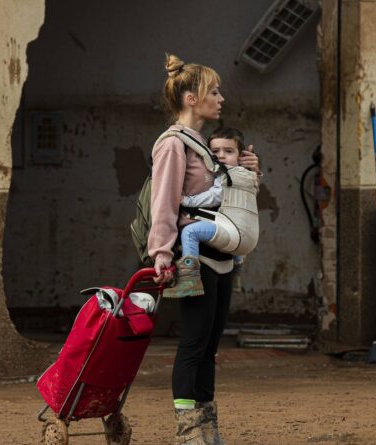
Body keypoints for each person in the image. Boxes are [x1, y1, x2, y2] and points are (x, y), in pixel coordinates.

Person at [148, 54, 260, 445]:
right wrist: (162, 253)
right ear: (191, 98)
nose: (221, 97)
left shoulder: (205, 145)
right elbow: (163, 202)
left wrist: (246, 169)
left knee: (211, 344)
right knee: (194, 342)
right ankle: (188, 429)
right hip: (192, 254)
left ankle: (207, 427)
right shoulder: (172, 145)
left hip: (222, 253)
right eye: (214, 91)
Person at [179, 126, 258, 289]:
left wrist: (187, 201)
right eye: (215, 151)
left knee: (189, 232)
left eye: (228, 151)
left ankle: (189, 280)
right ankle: (237, 266)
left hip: (233, 231)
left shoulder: (228, 175)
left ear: (240, 156)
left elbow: (216, 195)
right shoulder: (245, 174)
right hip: (244, 235)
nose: (221, 156)